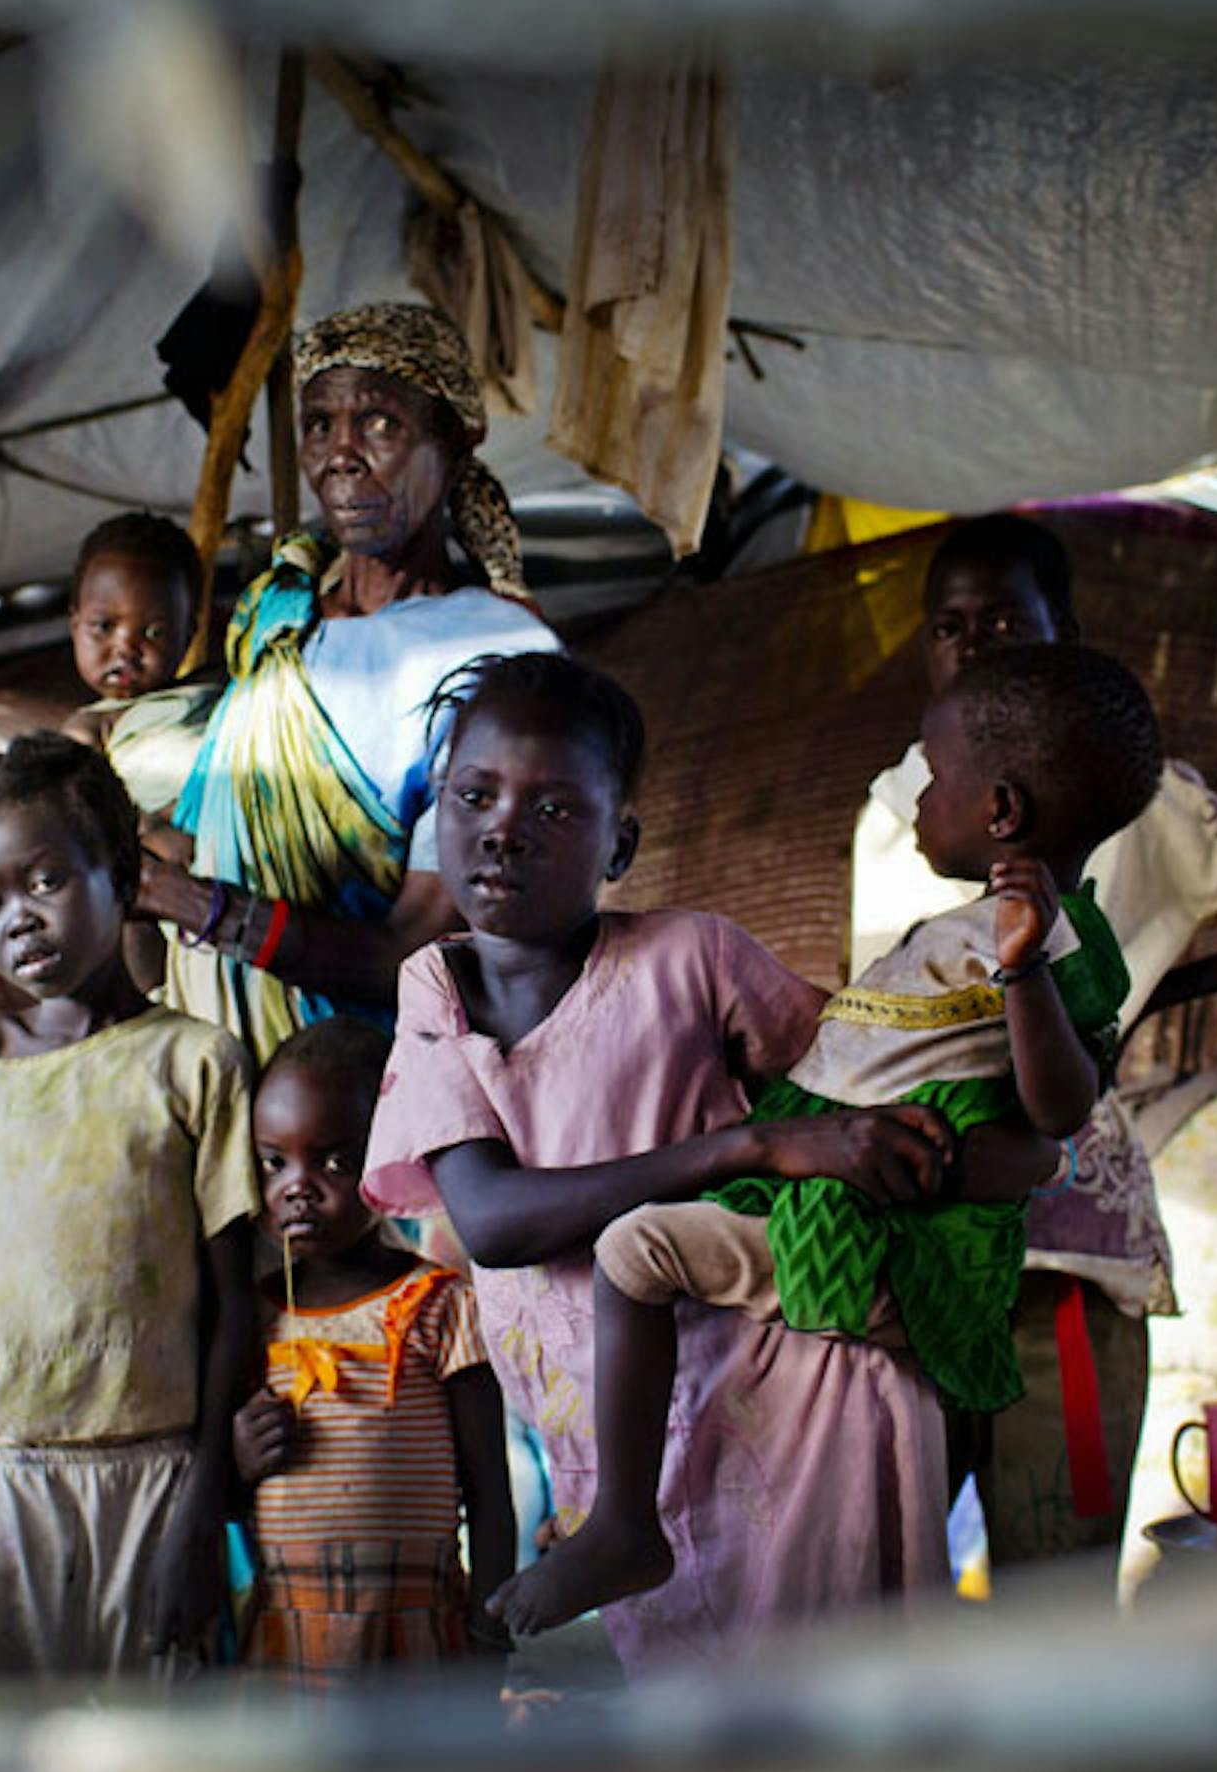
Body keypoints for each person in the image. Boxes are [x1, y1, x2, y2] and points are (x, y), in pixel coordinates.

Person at [493, 647, 1165, 1633]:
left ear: (1004, 811)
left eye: (933, 780)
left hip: (907, 1247)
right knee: (857, 1566)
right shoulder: (970, 929)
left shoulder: (1038, 944)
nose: (914, 797)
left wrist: (1024, 981)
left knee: (634, 1253)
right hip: (846, 1216)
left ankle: (621, 1525)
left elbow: (1060, 1102)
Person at [362, 653, 971, 1673]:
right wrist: (749, 1144)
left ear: (620, 844)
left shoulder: (698, 959)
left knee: (830, 1710)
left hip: (790, 1391)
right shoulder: (436, 990)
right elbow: (497, 1220)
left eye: (556, 810)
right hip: (623, 1445)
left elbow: (855, 1079)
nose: (505, 827)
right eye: (475, 795)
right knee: (696, 1713)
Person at [850, 511, 1217, 1580]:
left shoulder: (1151, 803)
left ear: (1066, 630)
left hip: (1068, 1258)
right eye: (950, 627)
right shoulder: (901, 808)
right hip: (926, 1247)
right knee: (887, 1581)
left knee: (1061, 1574)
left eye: (1004, 619)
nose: (976, 643)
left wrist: (1133, 986)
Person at [0, 735, 259, 1683]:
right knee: (8, 1766)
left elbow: (236, 1301)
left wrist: (204, 1503)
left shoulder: (193, 1063)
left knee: (165, 1759)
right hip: (6, 1473)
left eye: (45, 883)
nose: (17, 921)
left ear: (121, 875)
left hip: (157, 1467)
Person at [137, 302, 559, 1061]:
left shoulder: (495, 655)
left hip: (358, 1101)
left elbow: (422, 955)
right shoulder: (281, 613)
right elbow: (218, 826)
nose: (340, 454)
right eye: (319, 424)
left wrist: (196, 906)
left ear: (457, 440)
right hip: (221, 1079)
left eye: (378, 424)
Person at [233, 1017, 515, 1695]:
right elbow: (220, 1497)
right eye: (274, 1161)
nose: (297, 1186)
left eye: (334, 1159)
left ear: (390, 1154)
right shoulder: (252, 1317)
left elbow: (490, 1493)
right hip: (289, 1641)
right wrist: (239, 1460)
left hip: (418, 1636)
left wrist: (488, 1627)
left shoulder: (438, 1303)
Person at [59, 511, 218, 844]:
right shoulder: (92, 726)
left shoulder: (211, 689)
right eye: (104, 627)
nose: (126, 649)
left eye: (155, 632)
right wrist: (149, 829)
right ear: (74, 625)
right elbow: (82, 804)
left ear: (188, 635)